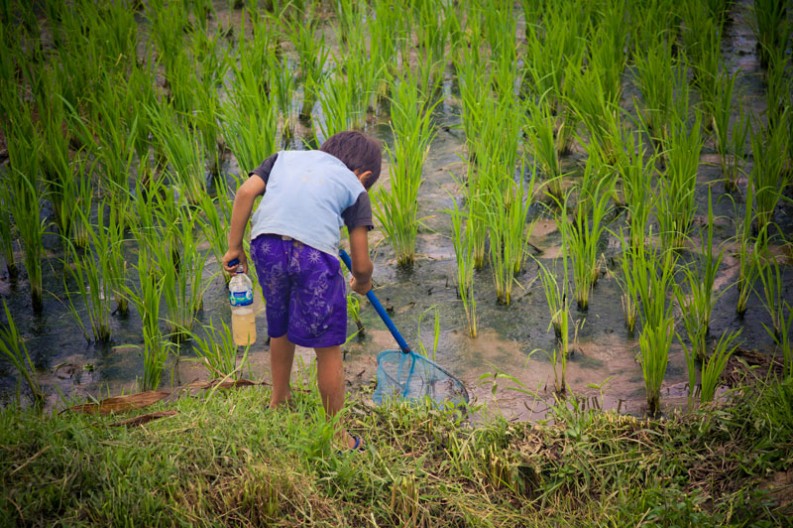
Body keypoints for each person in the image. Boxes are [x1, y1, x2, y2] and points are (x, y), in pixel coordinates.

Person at [222, 131, 381, 451]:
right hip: (313, 257)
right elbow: (361, 263)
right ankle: (338, 437)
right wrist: (362, 282)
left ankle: (278, 401)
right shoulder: (354, 188)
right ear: (363, 177)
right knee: (328, 346)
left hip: (265, 246)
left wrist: (234, 247)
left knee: (279, 324)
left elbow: (244, 192)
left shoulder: (284, 158)